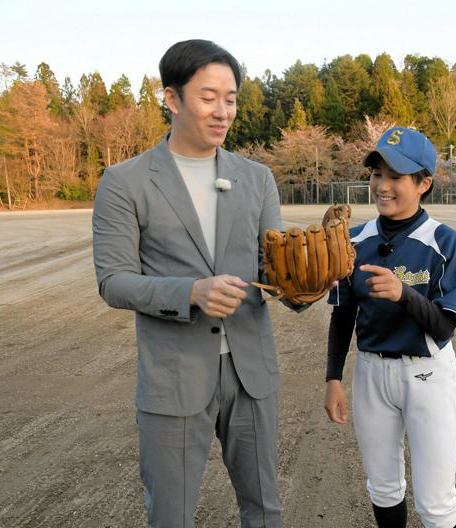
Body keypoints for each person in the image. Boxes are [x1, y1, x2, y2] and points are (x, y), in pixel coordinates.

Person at [92, 39, 283, 527]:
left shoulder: (258, 179)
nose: (223, 112)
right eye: (208, 97)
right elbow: (113, 281)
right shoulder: (125, 181)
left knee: (264, 509)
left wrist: (304, 285)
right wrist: (190, 293)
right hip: (172, 377)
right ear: (171, 99)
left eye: (232, 98)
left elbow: (272, 272)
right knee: (171, 517)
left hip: (251, 375)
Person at [323, 127, 456, 528]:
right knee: (383, 488)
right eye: (377, 174)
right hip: (371, 373)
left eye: (396, 177)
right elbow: (342, 314)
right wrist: (333, 377)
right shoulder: (353, 240)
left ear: (424, 183)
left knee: (436, 505)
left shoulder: (443, 241)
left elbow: (442, 328)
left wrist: (404, 294)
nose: (382, 186)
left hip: (427, 375)